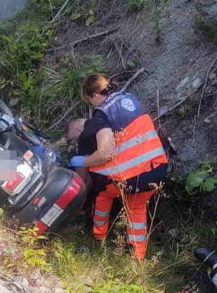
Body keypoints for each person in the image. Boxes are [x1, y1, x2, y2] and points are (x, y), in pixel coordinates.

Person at [69, 74, 168, 261]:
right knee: (136, 207)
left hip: (132, 176)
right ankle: (137, 258)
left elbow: (105, 153)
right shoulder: (129, 98)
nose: (92, 105)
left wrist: (84, 161)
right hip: (157, 168)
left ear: (95, 95)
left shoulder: (102, 114)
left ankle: (98, 237)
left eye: (90, 100)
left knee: (102, 193)